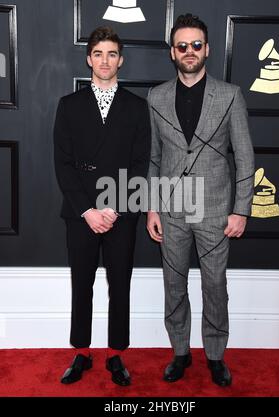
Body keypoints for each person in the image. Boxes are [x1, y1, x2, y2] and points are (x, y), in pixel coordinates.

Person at [147, 14, 255, 387]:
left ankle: (214, 354)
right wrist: (152, 207)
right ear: (172, 52)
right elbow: (155, 158)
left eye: (196, 45)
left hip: (215, 210)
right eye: (182, 46)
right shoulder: (157, 96)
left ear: (207, 49)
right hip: (173, 211)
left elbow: (244, 155)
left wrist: (241, 209)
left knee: (215, 286)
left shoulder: (230, 95)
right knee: (174, 286)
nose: (189, 51)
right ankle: (180, 352)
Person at [54, 26, 151, 386]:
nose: (105, 60)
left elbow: (141, 163)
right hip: (80, 214)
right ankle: (81, 351)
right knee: (82, 283)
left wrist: (114, 208)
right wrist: (89, 211)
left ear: (120, 60)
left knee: (119, 283)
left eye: (112, 54)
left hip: (121, 212)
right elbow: (62, 164)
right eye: (98, 53)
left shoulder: (137, 108)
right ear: (88, 59)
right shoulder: (69, 105)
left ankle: (116, 354)